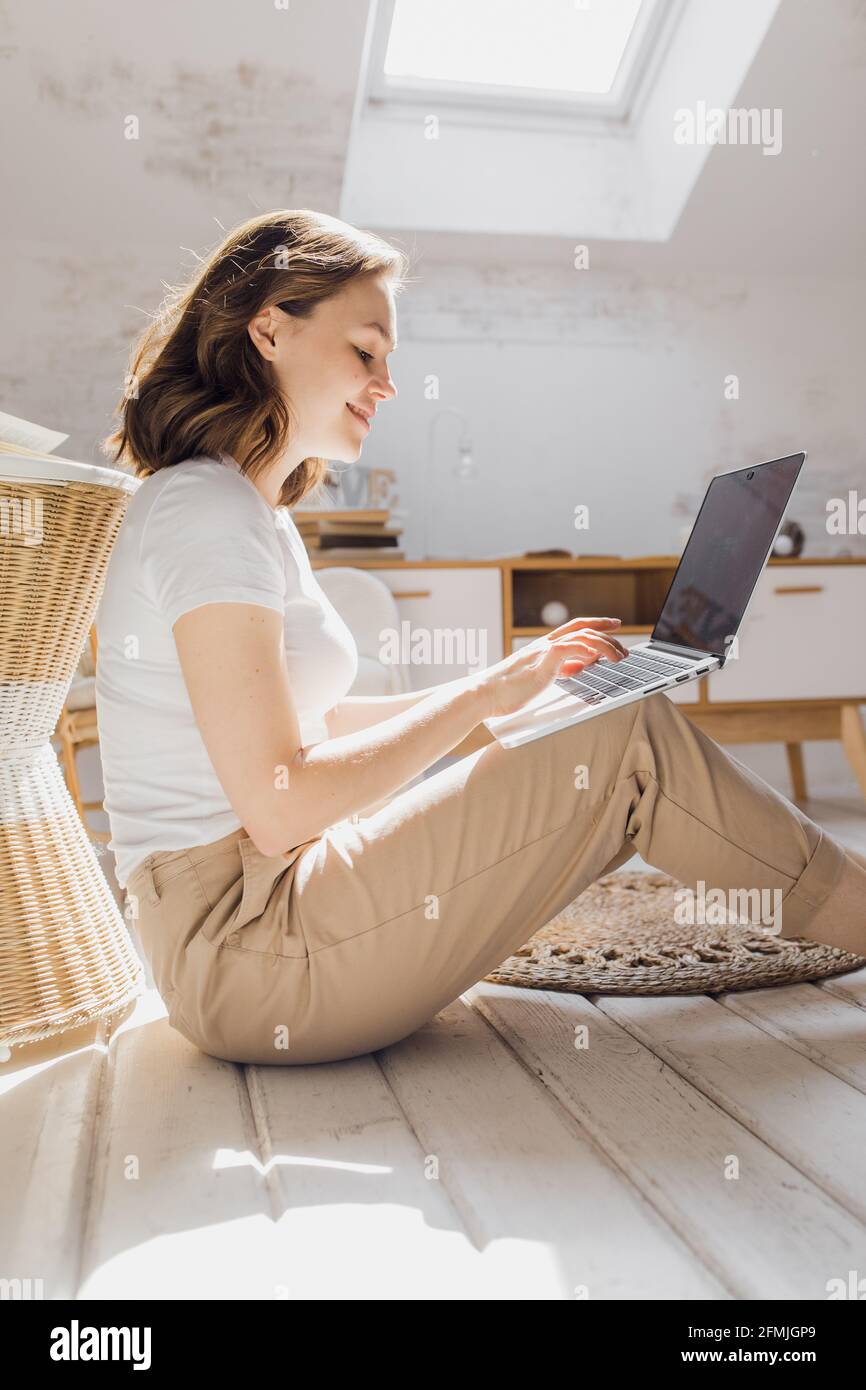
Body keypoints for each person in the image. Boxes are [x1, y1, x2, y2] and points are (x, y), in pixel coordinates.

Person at [96, 208, 866, 1067]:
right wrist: (484, 697)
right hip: (250, 954)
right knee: (627, 741)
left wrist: (518, 686)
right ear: (269, 328)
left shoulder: (245, 508)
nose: (386, 383)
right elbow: (280, 807)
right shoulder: (206, 512)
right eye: (365, 351)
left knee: (583, 733)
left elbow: (311, 727)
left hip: (266, 918)